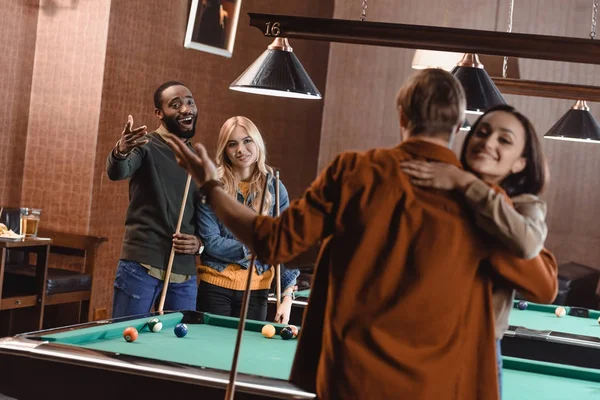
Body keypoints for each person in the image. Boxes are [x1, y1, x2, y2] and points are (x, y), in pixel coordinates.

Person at [165, 69, 558, 400]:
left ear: (401, 114)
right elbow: (541, 283)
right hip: (441, 384)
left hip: (354, 376)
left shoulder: (354, 171)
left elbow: (274, 244)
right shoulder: (485, 201)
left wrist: (212, 188)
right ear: (458, 126)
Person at [401, 104, 548, 397]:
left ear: (519, 163)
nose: (488, 142)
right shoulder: (440, 188)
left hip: (476, 351)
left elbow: (528, 243)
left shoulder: (525, 205)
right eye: (482, 132)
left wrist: (465, 182)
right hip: (419, 342)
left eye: (504, 140)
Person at [107, 81, 203, 318]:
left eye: (190, 102)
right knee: (125, 340)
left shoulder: (198, 160)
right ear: (159, 114)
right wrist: (120, 151)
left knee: (177, 350)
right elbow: (118, 171)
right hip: (141, 265)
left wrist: (199, 243)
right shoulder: (145, 145)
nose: (186, 109)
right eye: (175, 105)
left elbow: (205, 216)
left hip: (183, 272)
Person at [195, 116, 299, 323]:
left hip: (256, 292)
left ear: (257, 142)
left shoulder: (275, 188)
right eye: (232, 144)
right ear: (225, 150)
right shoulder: (212, 186)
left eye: (246, 140)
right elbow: (212, 243)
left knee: (244, 355)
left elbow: (284, 246)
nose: (240, 149)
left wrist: (287, 297)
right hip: (215, 288)